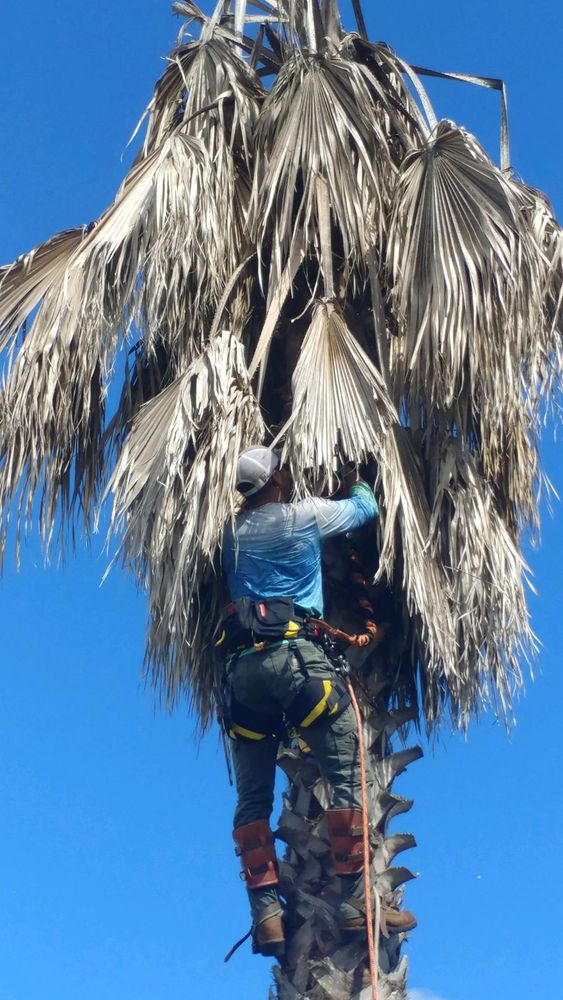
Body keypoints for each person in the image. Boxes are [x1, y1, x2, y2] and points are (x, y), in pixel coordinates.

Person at [222, 446, 415, 958]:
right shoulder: (302, 516)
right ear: (279, 478)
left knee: (252, 800)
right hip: (298, 664)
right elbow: (364, 510)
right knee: (348, 769)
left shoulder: (232, 535)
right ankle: (356, 906)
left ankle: (266, 916)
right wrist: (356, 480)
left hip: (242, 675)